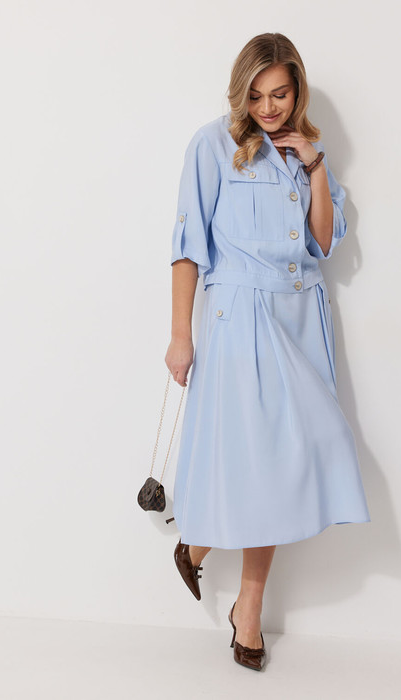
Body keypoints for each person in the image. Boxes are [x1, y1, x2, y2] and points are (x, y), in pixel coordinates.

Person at [165, 32, 371, 671]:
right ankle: (214, 566)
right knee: (257, 462)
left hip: (300, 316)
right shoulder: (212, 144)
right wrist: (180, 335)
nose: (268, 107)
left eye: (280, 94)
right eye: (256, 96)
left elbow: (322, 242)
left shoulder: (305, 152)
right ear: (241, 93)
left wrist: (313, 164)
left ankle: (235, 591)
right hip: (239, 314)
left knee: (292, 459)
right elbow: (187, 245)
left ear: (297, 90)